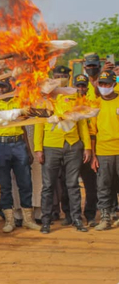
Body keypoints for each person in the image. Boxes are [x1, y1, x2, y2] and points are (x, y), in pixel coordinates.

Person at [0, 79, 41, 233]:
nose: (1, 90)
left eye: (3, 87)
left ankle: (28, 219)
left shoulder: (19, 102)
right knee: (5, 185)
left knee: (25, 182)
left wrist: (28, 149)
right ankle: (10, 220)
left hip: (18, 143)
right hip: (1, 146)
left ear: (10, 87)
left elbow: (23, 128)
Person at [34, 81, 92, 233]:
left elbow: (82, 122)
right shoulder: (43, 102)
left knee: (72, 184)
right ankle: (46, 221)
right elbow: (38, 125)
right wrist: (38, 149)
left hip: (73, 145)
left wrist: (87, 146)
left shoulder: (73, 98)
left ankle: (76, 219)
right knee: (48, 185)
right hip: (51, 146)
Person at [89, 70, 119, 230]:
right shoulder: (96, 104)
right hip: (103, 152)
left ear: (114, 84)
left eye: (107, 84)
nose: (104, 87)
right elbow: (92, 133)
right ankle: (105, 218)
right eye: (101, 84)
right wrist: (93, 156)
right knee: (104, 186)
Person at [74, 74, 99, 225]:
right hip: (73, 146)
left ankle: (90, 215)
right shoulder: (68, 103)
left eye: (83, 86)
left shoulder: (93, 103)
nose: (81, 89)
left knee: (91, 184)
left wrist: (92, 151)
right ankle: (73, 215)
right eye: (79, 86)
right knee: (70, 184)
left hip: (91, 145)